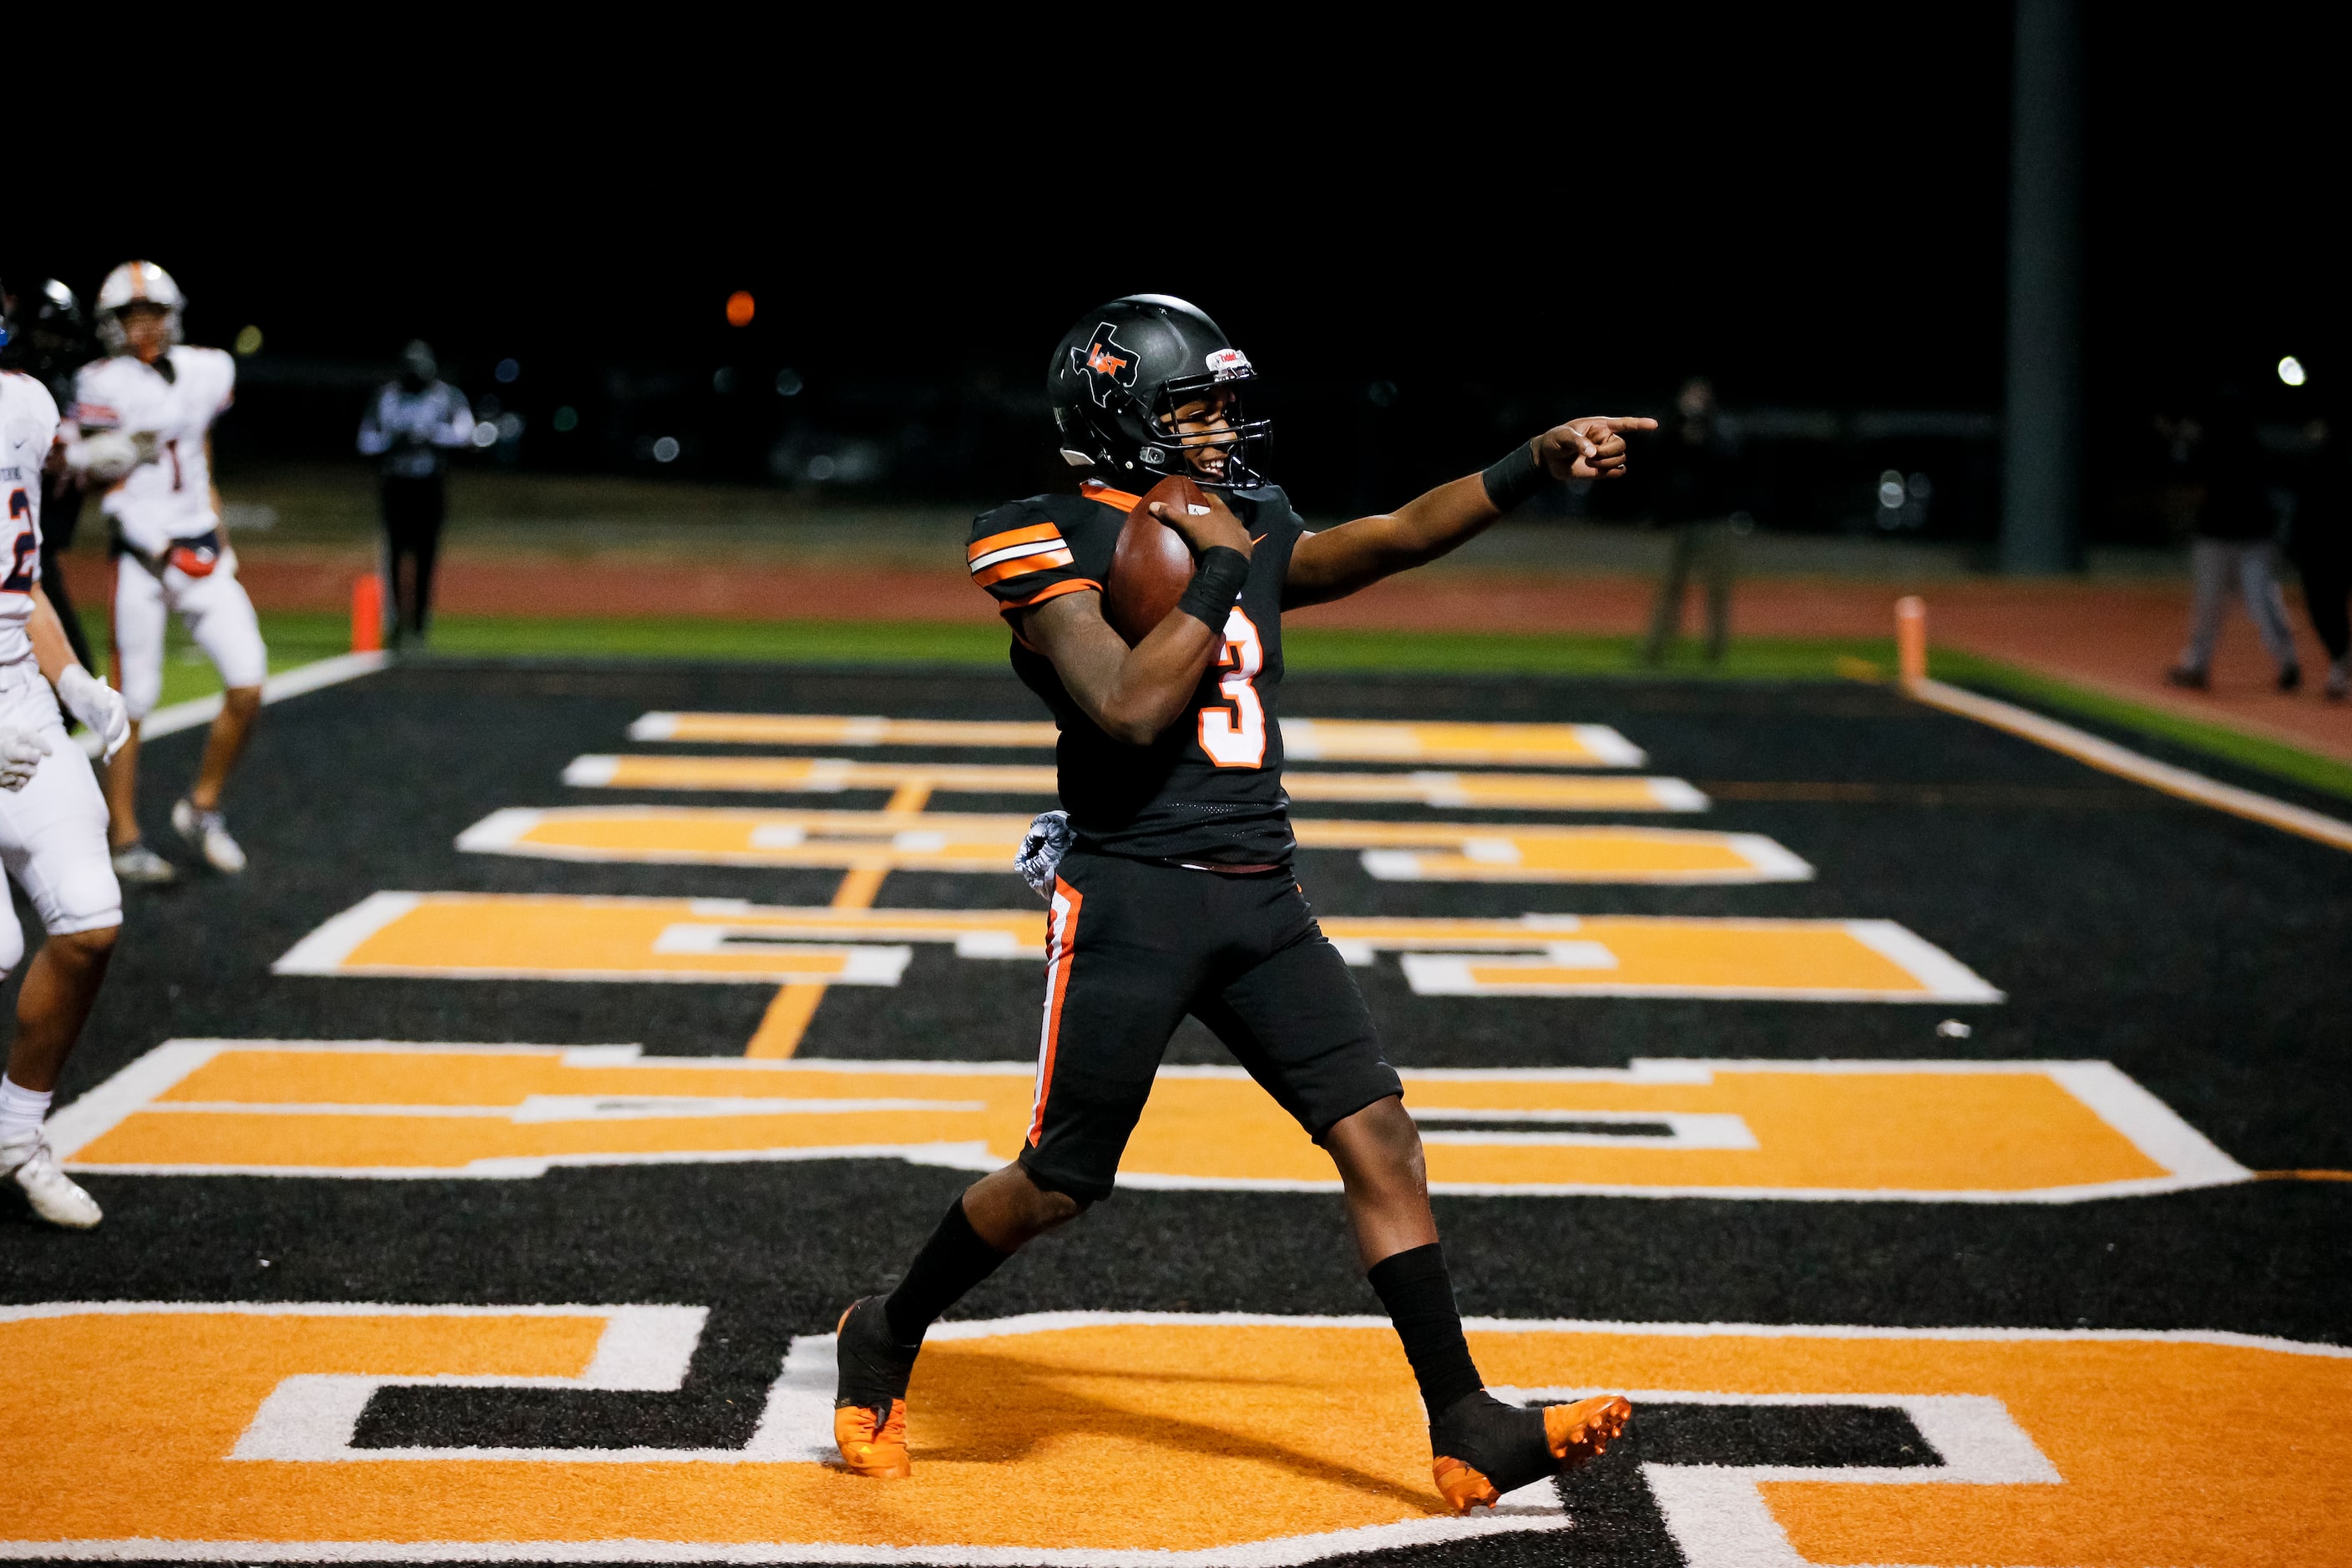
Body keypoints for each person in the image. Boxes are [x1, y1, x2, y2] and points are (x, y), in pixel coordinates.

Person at [832, 296, 1654, 1512]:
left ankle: (1465, 1419)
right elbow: (1125, 706)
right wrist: (1217, 563)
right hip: (1134, 894)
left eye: (1221, 405)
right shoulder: (1037, 531)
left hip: (1261, 891)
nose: (1219, 430)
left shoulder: (1248, 517)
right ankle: (886, 1329)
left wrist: (1527, 463)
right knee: (1060, 1180)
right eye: (1191, 409)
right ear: (1114, 420)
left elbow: (1388, 536)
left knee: (1380, 1135)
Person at [0, 295, 135, 1227]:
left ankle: (15, 1133)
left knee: (88, 922)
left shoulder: (23, 406)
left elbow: (23, 581)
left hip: (18, 699)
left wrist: (75, 680)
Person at [63, 260, 266, 883]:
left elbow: (198, 440)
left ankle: (202, 807)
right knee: (134, 701)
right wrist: (98, 456)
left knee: (249, 679)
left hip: (199, 549)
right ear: (111, 325)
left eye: (151, 313)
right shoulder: (101, 381)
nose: (143, 326)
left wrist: (214, 515)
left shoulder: (207, 369)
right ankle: (122, 837)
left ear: (173, 315)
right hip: (142, 557)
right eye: (131, 317)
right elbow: (85, 468)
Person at [2167, 385, 2300, 691]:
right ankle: (2288, 662)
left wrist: (2181, 447)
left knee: (2213, 603)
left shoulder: (2208, 444)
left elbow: (2195, 491)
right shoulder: (2252, 443)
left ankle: (2198, 665)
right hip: (2253, 534)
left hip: (2218, 534)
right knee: (2261, 599)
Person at [0, 281, 99, 671]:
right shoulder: (18, 396)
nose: (55, 346)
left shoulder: (41, 394)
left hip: (31, 562)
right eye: (46, 334)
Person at [357, 341, 473, 645]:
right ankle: (395, 622)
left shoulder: (447, 396)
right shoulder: (386, 396)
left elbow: (465, 434)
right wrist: (395, 441)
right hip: (396, 485)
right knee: (394, 554)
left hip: (429, 485)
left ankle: (420, 623)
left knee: (426, 554)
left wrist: (430, 437)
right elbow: (366, 440)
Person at [1640, 375, 1743, 664]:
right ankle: (1656, 650)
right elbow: (1655, 456)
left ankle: (1715, 652)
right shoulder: (1674, 425)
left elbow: (1731, 461)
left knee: (1717, 589)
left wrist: (1704, 436)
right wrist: (1678, 425)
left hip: (1714, 522)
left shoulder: (1719, 426)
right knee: (1670, 590)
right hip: (1679, 521)